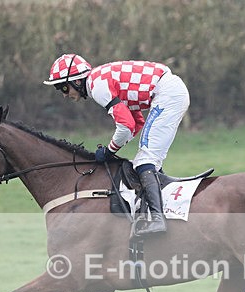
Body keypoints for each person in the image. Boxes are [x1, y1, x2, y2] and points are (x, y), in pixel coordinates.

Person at [43, 53, 190, 236]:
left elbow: (126, 126)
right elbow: (136, 124)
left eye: (63, 87)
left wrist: (109, 151)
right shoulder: (99, 80)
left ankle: (158, 219)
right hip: (169, 92)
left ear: (77, 82)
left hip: (167, 95)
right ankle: (161, 208)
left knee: (145, 161)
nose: (64, 95)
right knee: (146, 160)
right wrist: (114, 147)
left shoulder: (98, 87)